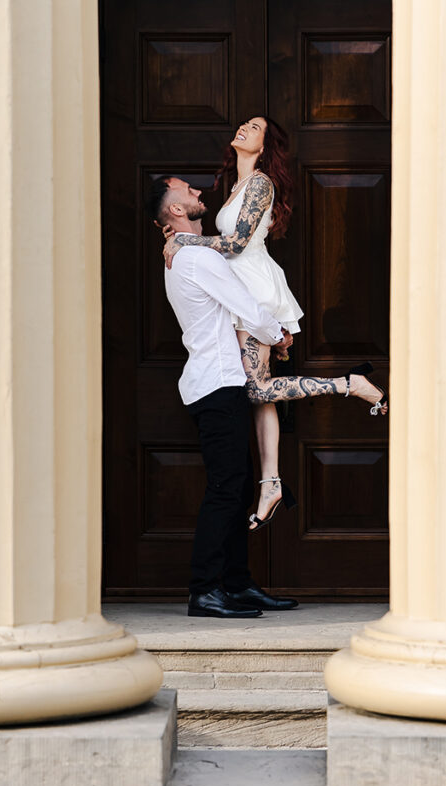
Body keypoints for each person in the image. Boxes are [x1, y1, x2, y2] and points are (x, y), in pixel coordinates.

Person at [162, 116, 387, 531]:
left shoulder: (260, 183)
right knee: (259, 395)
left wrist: (183, 238)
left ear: (265, 147)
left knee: (255, 388)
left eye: (256, 127)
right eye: (246, 123)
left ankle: (349, 384)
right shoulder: (235, 188)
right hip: (241, 290)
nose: (246, 127)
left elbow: (235, 244)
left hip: (255, 292)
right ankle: (271, 482)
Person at [145, 175, 298, 618]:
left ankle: (236, 584)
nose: (197, 193)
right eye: (187, 191)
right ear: (174, 210)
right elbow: (249, 309)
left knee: (234, 484)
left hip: (217, 383)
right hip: (217, 384)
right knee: (226, 489)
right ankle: (205, 590)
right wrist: (280, 335)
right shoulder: (196, 261)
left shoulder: (185, 254)